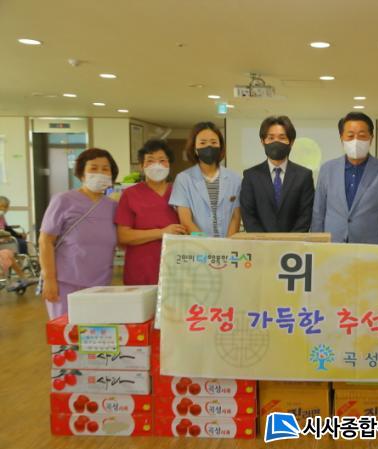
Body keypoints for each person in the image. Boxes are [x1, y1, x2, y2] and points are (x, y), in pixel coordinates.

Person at [39, 148, 118, 319]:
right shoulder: (63, 200)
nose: (100, 173)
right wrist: (49, 279)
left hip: (101, 285)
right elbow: (46, 241)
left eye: (105, 169)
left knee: (96, 332)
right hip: (66, 283)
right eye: (93, 168)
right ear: (82, 173)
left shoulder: (113, 207)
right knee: (66, 332)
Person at [311, 112, 378, 244]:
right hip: (332, 244)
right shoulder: (327, 169)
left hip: (369, 245)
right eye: (350, 136)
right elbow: (318, 212)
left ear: (371, 138)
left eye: (362, 136)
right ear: (341, 138)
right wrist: (316, 245)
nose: (356, 141)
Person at [115, 139, 186, 285]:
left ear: (169, 164)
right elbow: (123, 236)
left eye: (162, 160)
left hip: (175, 267)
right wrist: (161, 232)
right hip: (141, 269)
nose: (157, 165)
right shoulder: (130, 194)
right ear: (141, 166)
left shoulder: (181, 192)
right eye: (150, 161)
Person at [240, 116, 314, 232]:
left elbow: (305, 216)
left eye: (282, 138)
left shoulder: (304, 176)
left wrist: (290, 241)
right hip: (259, 242)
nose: (276, 142)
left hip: (294, 242)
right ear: (262, 142)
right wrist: (264, 241)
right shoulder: (250, 176)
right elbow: (248, 216)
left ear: (291, 142)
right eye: (271, 138)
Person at [169, 122, 242, 237]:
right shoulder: (183, 179)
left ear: (220, 147)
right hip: (197, 244)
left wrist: (228, 244)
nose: (209, 147)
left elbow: (235, 217)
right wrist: (206, 244)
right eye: (202, 143)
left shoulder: (235, 179)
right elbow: (186, 221)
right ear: (195, 149)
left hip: (228, 244)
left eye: (214, 142)